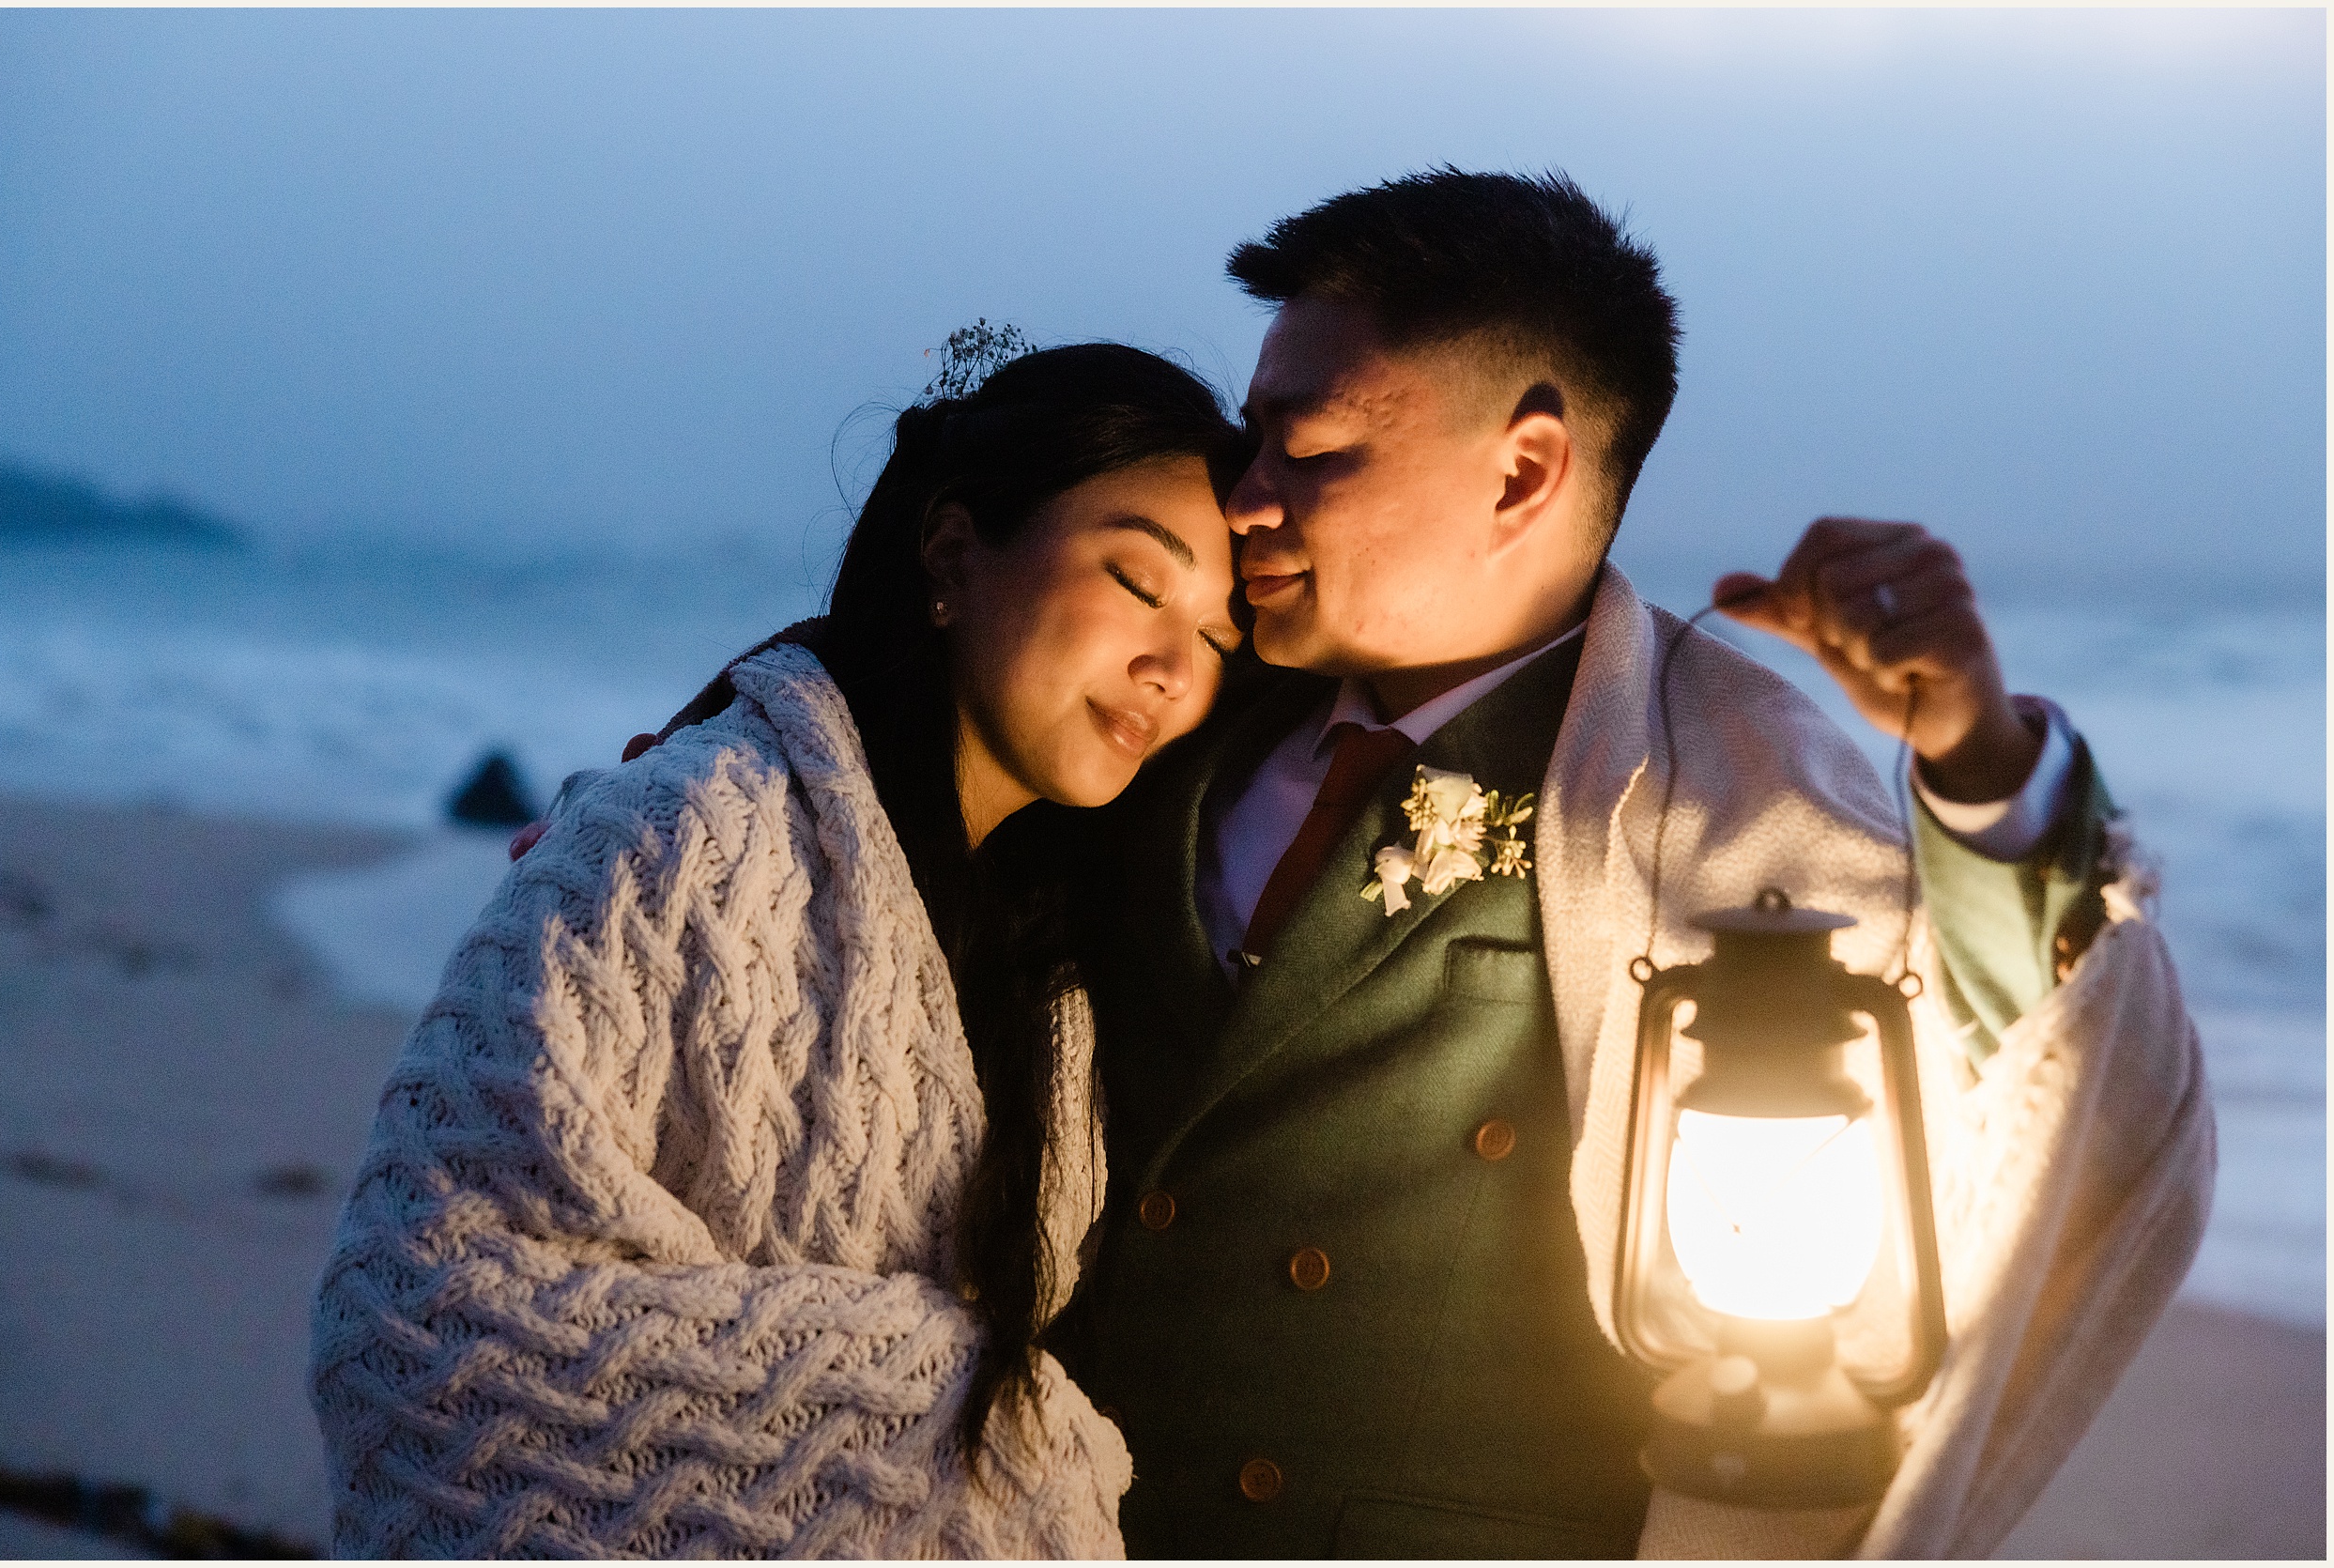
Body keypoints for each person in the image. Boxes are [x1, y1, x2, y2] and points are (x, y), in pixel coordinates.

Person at [1049, 170, 2211, 1559]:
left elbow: (2032, 1067)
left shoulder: (1725, 784)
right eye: (1249, 445)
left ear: (1524, 468)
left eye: (1309, 450)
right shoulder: (1162, 722)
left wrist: (1974, 759)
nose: (1242, 498)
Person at [306, 343, 1249, 1557]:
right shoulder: (682, 832)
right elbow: (402, 1316)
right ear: (954, 551)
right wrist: (953, 1412)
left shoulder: (1064, 963)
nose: (1174, 669)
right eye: (1136, 580)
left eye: (1223, 641)